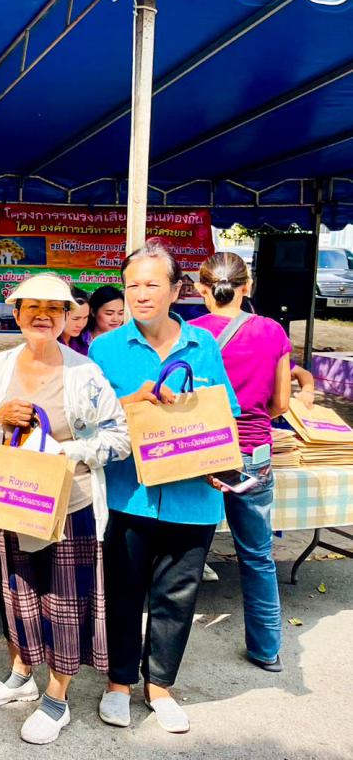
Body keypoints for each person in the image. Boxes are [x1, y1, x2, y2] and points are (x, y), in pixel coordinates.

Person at [88, 240, 239, 734]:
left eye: (152, 284)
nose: (140, 294)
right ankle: (118, 683)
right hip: (128, 494)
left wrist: (221, 463)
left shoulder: (203, 345)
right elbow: (90, 420)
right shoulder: (105, 348)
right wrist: (135, 399)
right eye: (132, 285)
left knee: (177, 597)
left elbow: (225, 413)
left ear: (177, 290)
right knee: (123, 592)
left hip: (192, 497)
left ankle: (160, 687)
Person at [0, 274, 129, 744]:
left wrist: (69, 451)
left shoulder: (85, 372)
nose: (42, 316)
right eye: (32, 307)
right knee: (18, 592)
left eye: (53, 309)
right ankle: (21, 672)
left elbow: (120, 437)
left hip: (70, 503)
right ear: (16, 313)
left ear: (66, 317)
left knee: (64, 602)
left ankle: (57, 697)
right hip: (13, 497)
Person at [191, 252, 290, 672]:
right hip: (254, 455)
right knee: (257, 556)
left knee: (183, 557)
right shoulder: (272, 331)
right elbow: (281, 402)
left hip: (201, 454)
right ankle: (267, 650)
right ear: (247, 286)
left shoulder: (190, 334)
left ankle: (165, 658)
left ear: (200, 288)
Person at [59, 287, 90, 355]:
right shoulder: (47, 346)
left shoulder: (83, 347)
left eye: (85, 317)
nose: (81, 325)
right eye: (75, 318)